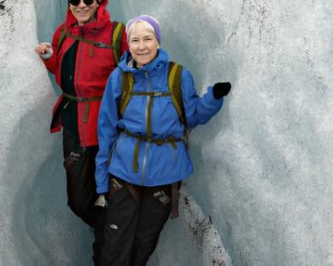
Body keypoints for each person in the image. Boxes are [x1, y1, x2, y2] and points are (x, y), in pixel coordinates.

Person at [95, 15, 231, 266]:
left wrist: (213, 98)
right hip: (123, 173)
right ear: (128, 44)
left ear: (158, 41)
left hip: (165, 174)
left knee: (145, 241)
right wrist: (102, 179)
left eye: (148, 38)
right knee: (115, 243)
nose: (141, 46)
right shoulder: (119, 78)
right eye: (135, 40)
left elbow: (193, 115)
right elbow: (106, 130)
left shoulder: (177, 76)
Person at [34, 0, 128, 264]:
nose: (82, 4)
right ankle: (105, 230)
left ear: (98, 1)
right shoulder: (64, 32)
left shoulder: (115, 34)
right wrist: (49, 57)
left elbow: (133, 75)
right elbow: (63, 71)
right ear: (69, 3)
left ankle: (109, 248)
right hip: (73, 123)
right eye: (75, 0)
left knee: (110, 195)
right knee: (78, 200)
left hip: (106, 126)